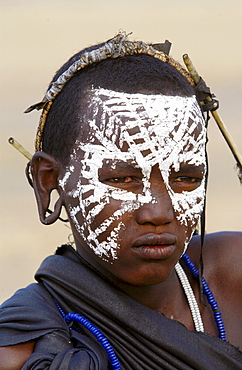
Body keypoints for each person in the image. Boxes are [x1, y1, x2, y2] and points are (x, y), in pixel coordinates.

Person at [0, 33, 241, 369]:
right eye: (122, 179)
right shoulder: (24, 350)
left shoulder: (234, 275)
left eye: (185, 178)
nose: (159, 212)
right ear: (49, 182)